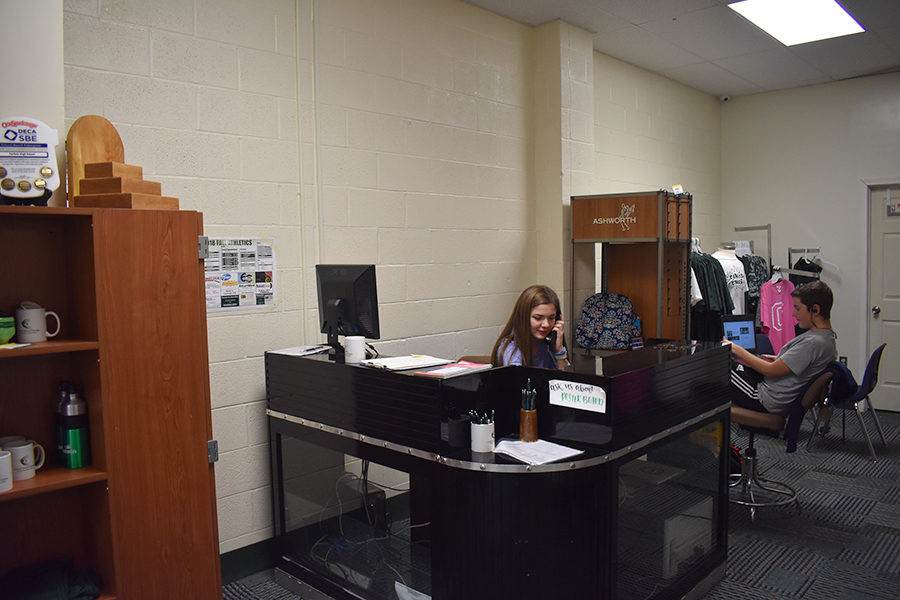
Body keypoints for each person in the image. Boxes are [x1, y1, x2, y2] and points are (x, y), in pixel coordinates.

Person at [725, 280, 837, 416]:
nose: (794, 315)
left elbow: (771, 371)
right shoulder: (826, 338)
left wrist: (735, 349)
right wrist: (781, 359)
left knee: (720, 367)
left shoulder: (814, 342)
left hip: (765, 397)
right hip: (773, 391)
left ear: (815, 310)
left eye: (798, 308)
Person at [491, 285, 568, 369]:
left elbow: (566, 379)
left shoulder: (548, 344)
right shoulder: (511, 350)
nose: (546, 324)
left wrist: (559, 351)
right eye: (538, 318)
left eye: (551, 318)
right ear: (523, 317)